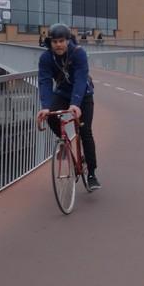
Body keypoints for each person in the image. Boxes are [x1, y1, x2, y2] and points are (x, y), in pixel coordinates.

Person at [36, 23, 101, 189]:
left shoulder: (78, 53)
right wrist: (45, 106)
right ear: (49, 42)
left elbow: (80, 78)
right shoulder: (45, 58)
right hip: (63, 93)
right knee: (51, 116)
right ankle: (65, 142)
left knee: (85, 132)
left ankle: (92, 173)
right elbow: (44, 81)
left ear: (67, 40)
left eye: (62, 41)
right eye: (55, 41)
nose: (58, 44)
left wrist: (75, 104)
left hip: (83, 95)